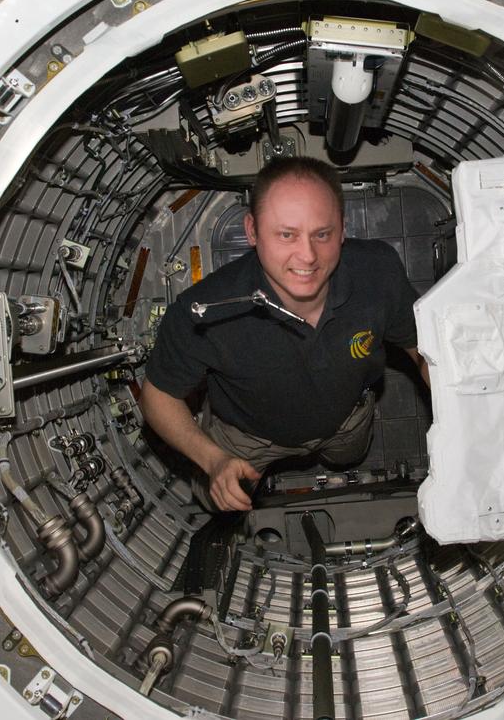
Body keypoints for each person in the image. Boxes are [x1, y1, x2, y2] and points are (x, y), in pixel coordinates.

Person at [140, 158, 428, 512]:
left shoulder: (378, 271)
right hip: (247, 437)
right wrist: (213, 461)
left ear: (342, 230)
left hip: (345, 422)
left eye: (322, 234)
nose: (307, 256)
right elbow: (157, 396)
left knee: (346, 458)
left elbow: (422, 347)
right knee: (216, 503)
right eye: (286, 234)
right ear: (252, 231)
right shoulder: (204, 309)